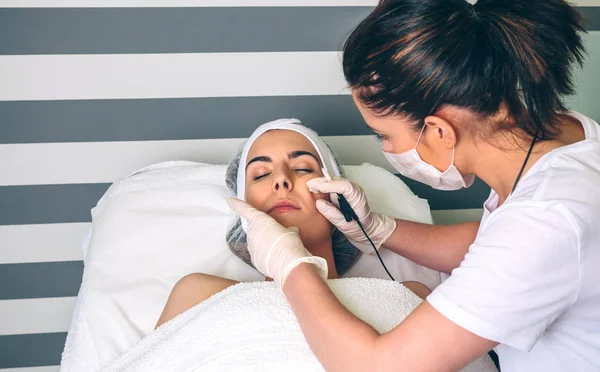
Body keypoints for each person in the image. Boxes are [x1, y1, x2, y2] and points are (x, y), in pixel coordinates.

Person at [228, 0, 600, 371]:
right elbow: (498, 240)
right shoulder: (559, 132)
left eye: (383, 136)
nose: (388, 149)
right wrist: (379, 228)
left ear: (439, 130)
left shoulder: (548, 218)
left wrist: (290, 265)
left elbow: (377, 367)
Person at [156, 119, 431, 328]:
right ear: (243, 208)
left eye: (302, 168)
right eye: (261, 174)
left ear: (338, 199)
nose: (281, 180)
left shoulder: (403, 296)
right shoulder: (197, 296)